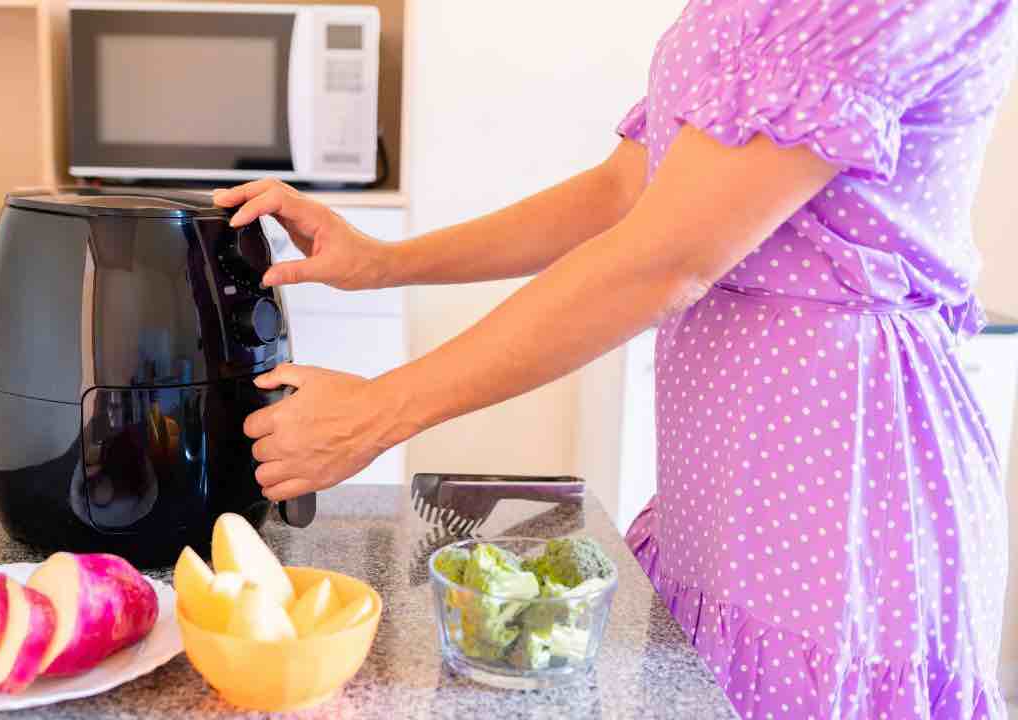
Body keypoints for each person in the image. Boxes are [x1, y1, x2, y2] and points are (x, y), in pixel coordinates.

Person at [214, 1, 1018, 716]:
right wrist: (385, 262)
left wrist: (379, 411)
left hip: (840, 480)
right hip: (726, 480)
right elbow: (624, 193)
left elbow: (665, 258)